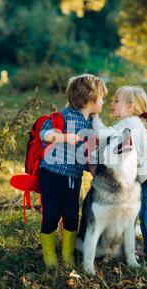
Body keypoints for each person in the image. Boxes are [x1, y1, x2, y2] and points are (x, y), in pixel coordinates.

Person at [92, 86, 147, 271]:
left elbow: (103, 135)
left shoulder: (130, 121)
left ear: (130, 107)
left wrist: (93, 117)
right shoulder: (133, 122)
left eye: (115, 100)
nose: (111, 104)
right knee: (145, 216)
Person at [38, 74, 107, 270]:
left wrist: (95, 170)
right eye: (101, 97)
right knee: (51, 214)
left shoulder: (92, 123)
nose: (103, 101)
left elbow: (90, 154)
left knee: (71, 215)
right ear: (89, 98)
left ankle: (67, 255)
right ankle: (50, 256)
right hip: (52, 174)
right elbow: (46, 133)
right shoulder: (64, 116)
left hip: (74, 177)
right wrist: (64, 137)